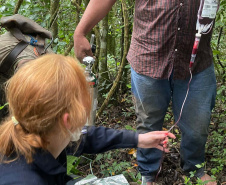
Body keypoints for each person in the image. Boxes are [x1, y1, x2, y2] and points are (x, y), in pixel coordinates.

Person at [73, 1, 217, 184]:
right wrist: (80, 31)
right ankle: (148, 173)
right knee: (148, 122)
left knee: (197, 126)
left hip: (197, 63)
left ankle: (194, 169)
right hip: (148, 58)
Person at [0, 54, 175, 185]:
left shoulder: (35, 132)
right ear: (68, 121)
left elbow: (86, 137)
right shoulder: (25, 180)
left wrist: (139, 139)